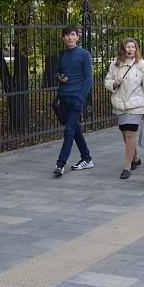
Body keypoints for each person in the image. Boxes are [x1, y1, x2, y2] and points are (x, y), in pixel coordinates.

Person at [53, 26, 94, 176]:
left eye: (72, 35)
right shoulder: (62, 54)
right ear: (63, 38)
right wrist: (59, 77)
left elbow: (89, 79)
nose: (69, 38)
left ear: (77, 37)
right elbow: (55, 72)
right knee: (75, 129)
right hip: (64, 97)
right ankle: (87, 158)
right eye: (67, 35)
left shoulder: (84, 55)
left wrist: (81, 97)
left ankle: (60, 164)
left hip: (77, 98)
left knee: (69, 130)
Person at [103, 38, 144, 180]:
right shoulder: (115, 65)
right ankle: (135, 157)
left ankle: (127, 166)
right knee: (124, 133)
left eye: (133, 47)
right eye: (128, 47)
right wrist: (115, 83)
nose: (130, 50)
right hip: (120, 103)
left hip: (136, 104)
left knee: (130, 133)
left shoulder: (141, 64)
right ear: (123, 49)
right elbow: (107, 81)